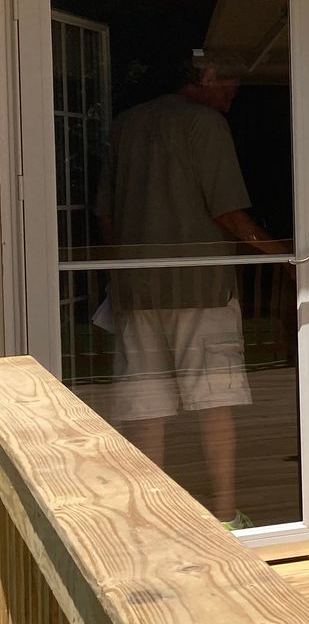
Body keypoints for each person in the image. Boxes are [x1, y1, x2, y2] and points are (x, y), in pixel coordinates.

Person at [93, 50, 289, 523]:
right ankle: (224, 514)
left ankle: (153, 514)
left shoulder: (126, 125)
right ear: (206, 75)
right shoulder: (204, 124)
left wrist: (123, 270)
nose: (235, 91)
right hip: (200, 287)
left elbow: (106, 215)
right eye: (231, 81)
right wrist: (283, 255)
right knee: (214, 401)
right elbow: (227, 211)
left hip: (137, 291)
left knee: (148, 406)